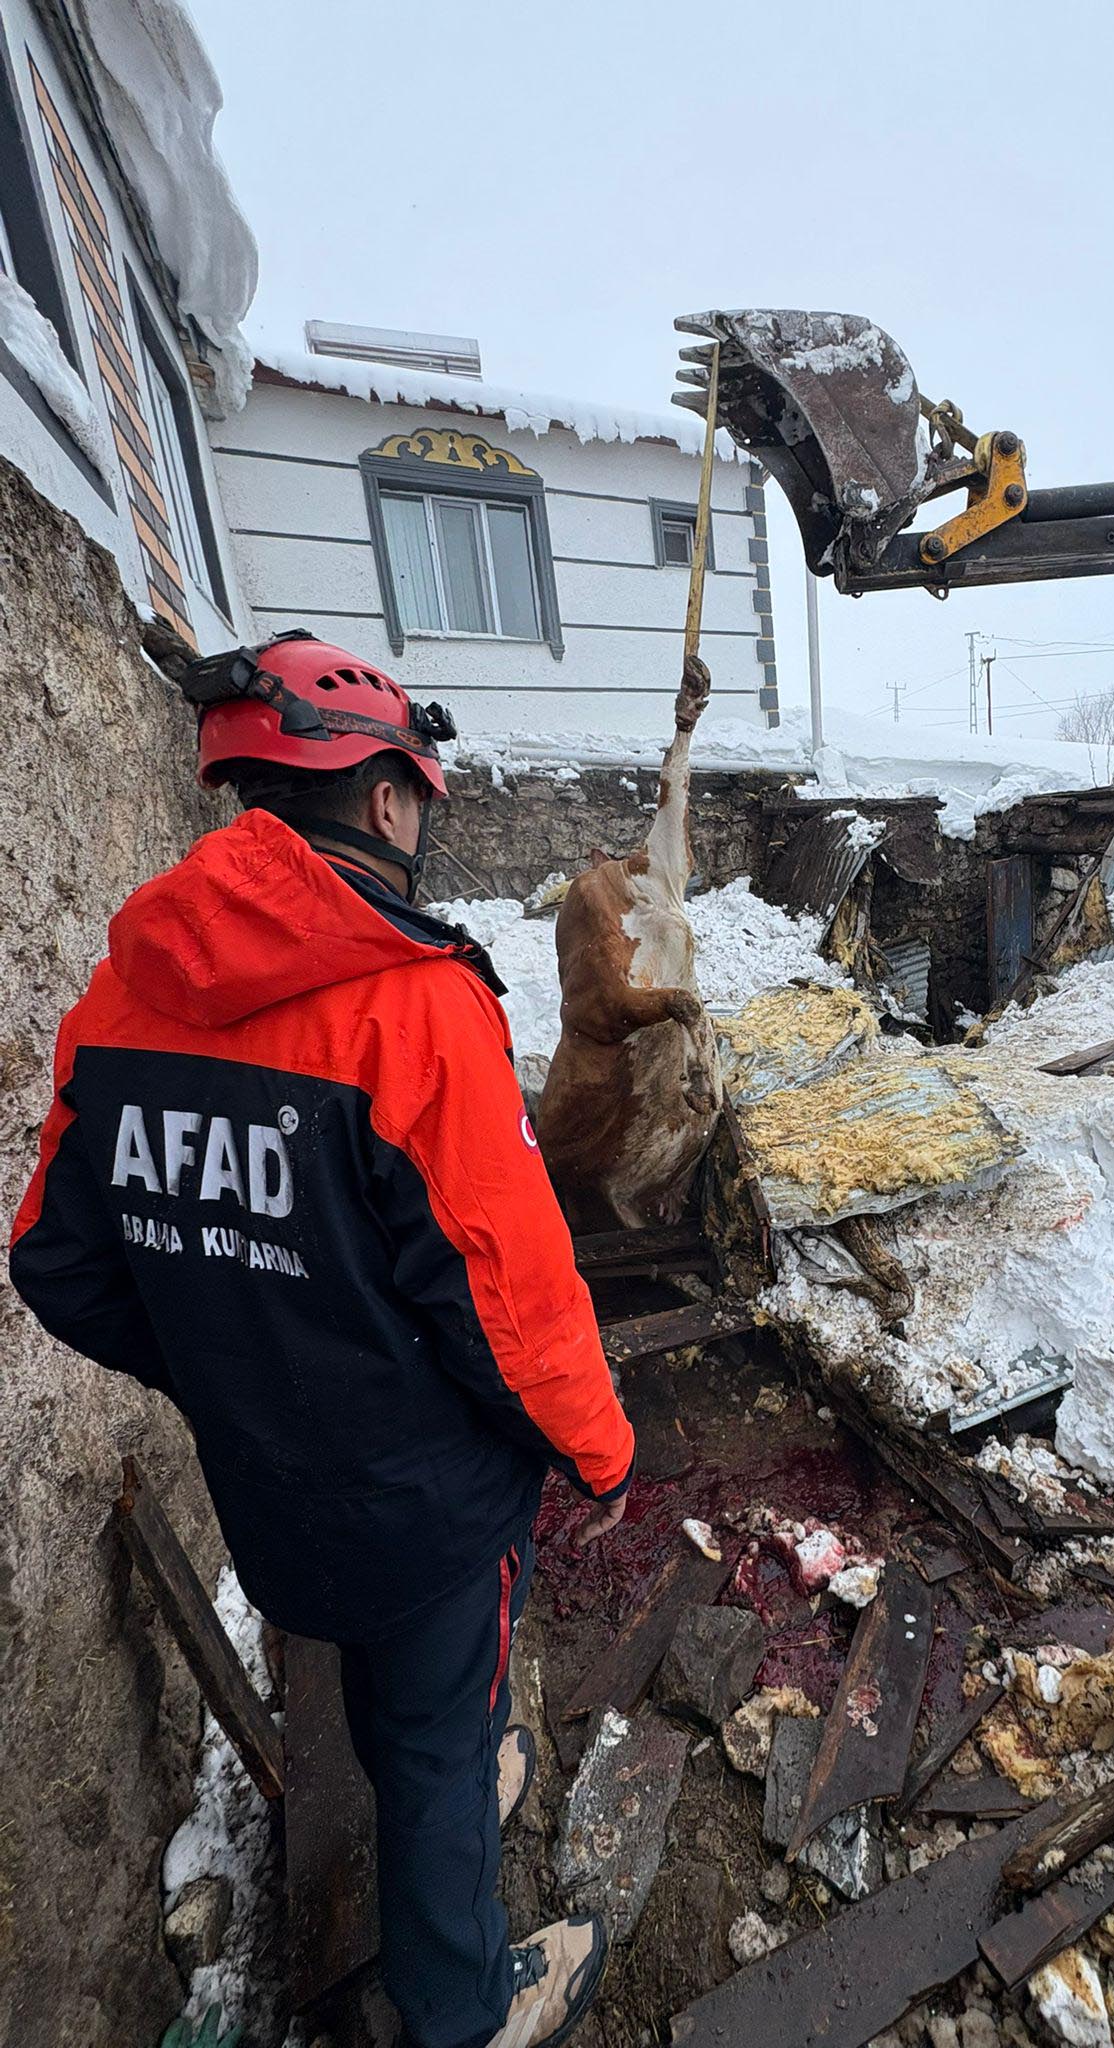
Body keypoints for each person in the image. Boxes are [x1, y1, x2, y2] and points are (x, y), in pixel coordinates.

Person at [9, 630, 631, 2048]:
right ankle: (465, 2005)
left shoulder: (123, 1002)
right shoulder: (417, 1006)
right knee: (430, 1731)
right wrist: (600, 1450)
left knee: (378, 1689)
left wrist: (232, 1360)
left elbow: (57, 1259)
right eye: (421, 793)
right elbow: (511, 1307)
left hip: (274, 1499)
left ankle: (453, 1799)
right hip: (426, 1509)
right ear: (387, 796)